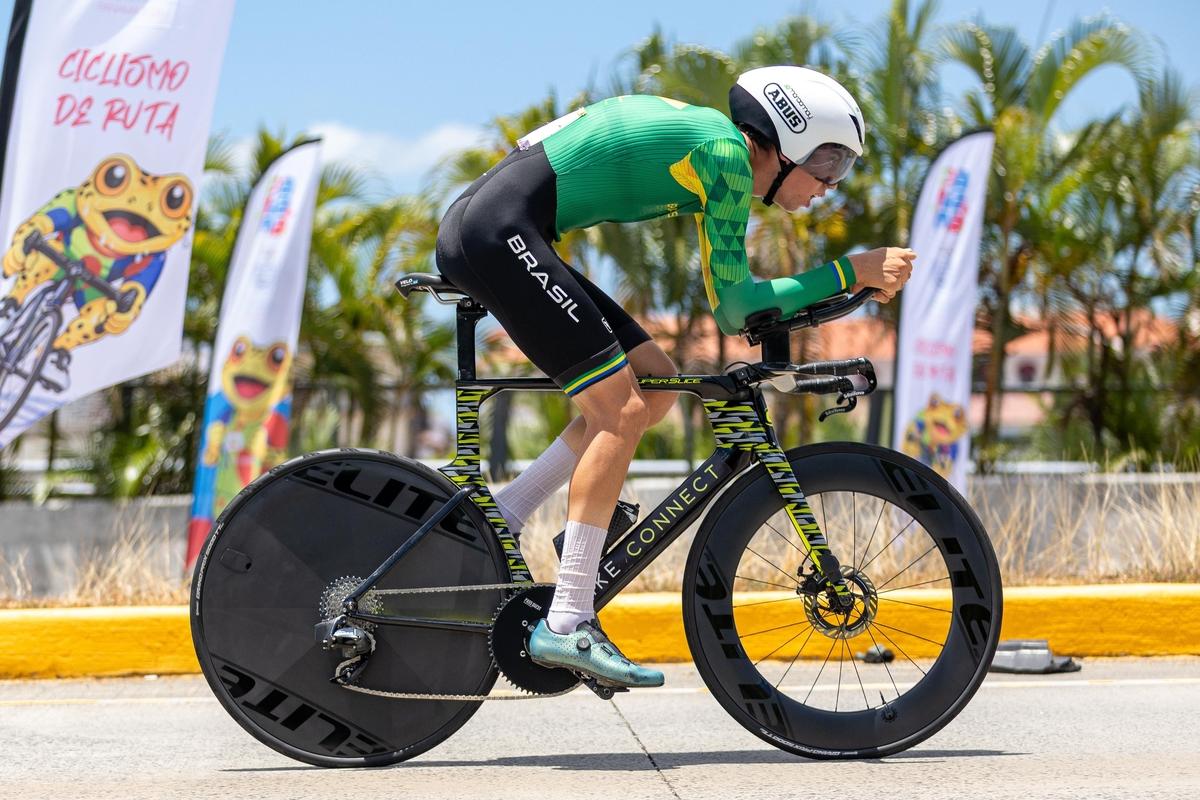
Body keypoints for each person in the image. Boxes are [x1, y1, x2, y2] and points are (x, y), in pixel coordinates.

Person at [434, 65, 915, 689]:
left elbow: (731, 300)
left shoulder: (717, 155)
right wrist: (849, 271)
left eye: (841, 168)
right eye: (828, 162)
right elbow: (740, 307)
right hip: (496, 233)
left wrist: (845, 283)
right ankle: (570, 617)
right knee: (622, 413)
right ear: (786, 139)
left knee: (652, 382)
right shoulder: (725, 154)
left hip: (502, 228)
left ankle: (508, 508)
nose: (829, 184)